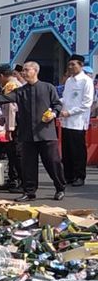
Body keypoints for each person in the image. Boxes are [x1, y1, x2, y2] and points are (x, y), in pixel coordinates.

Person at [0, 61, 66, 202]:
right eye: (23, 70)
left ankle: (60, 188)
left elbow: (57, 104)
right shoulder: (21, 90)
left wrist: (54, 113)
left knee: (52, 162)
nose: (24, 72)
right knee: (28, 165)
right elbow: (6, 98)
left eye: (27, 70)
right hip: (27, 134)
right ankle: (29, 191)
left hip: (46, 133)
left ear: (35, 71)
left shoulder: (48, 87)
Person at [61, 55, 94, 187]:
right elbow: (65, 99)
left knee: (78, 151)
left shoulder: (86, 81)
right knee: (67, 150)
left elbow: (87, 103)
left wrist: (70, 112)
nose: (70, 67)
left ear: (81, 65)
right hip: (66, 121)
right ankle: (68, 176)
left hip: (78, 121)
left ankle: (79, 176)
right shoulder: (69, 81)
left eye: (73, 64)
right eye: (69, 64)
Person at [0, 64, 23, 193]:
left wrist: (9, 129)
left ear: (1, 76)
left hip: (16, 125)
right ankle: (13, 179)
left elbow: (11, 109)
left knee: (16, 154)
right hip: (14, 123)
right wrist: (0, 120)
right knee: (11, 154)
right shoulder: (12, 84)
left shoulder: (11, 86)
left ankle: (21, 182)